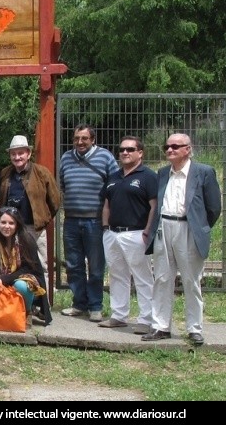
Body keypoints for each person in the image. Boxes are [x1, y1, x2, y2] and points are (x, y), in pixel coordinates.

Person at [142, 133, 221, 345]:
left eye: (175, 146)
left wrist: (199, 227)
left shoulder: (203, 172)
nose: (170, 150)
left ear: (187, 149)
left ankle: (194, 328)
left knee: (191, 281)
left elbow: (213, 208)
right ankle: (160, 326)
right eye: (166, 146)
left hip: (189, 228)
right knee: (162, 279)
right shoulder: (162, 173)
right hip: (164, 227)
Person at [58, 124, 118, 322]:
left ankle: (95, 306)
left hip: (95, 220)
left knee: (95, 265)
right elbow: (63, 186)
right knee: (73, 264)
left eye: (84, 138)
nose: (80, 142)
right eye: (76, 138)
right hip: (72, 220)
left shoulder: (105, 157)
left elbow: (114, 186)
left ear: (93, 139)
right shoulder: (66, 158)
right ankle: (79, 304)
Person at [99, 135, 157, 334]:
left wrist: (148, 231)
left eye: (130, 149)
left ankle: (146, 319)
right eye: (122, 149)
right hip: (113, 234)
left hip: (137, 234)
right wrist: (106, 228)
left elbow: (154, 206)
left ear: (140, 153)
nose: (125, 152)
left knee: (142, 277)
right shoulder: (114, 176)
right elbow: (106, 204)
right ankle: (118, 315)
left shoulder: (148, 176)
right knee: (116, 275)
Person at [0, 135, 61, 291]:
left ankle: (43, 305)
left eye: (21, 153)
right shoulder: (6, 173)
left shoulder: (41, 173)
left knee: (40, 265)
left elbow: (55, 201)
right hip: (11, 229)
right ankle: (19, 302)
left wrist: (43, 219)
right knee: (14, 265)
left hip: (34, 228)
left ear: (28, 153)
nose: (17, 157)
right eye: (13, 154)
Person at [0, 207, 52, 328]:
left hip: (26, 279)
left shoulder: (26, 240)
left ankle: (27, 312)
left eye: (11, 223)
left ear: (17, 225)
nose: (7, 226)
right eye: (3, 222)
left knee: (20, 286)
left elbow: (28, 268)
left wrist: (4, 279)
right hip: (2, 279)